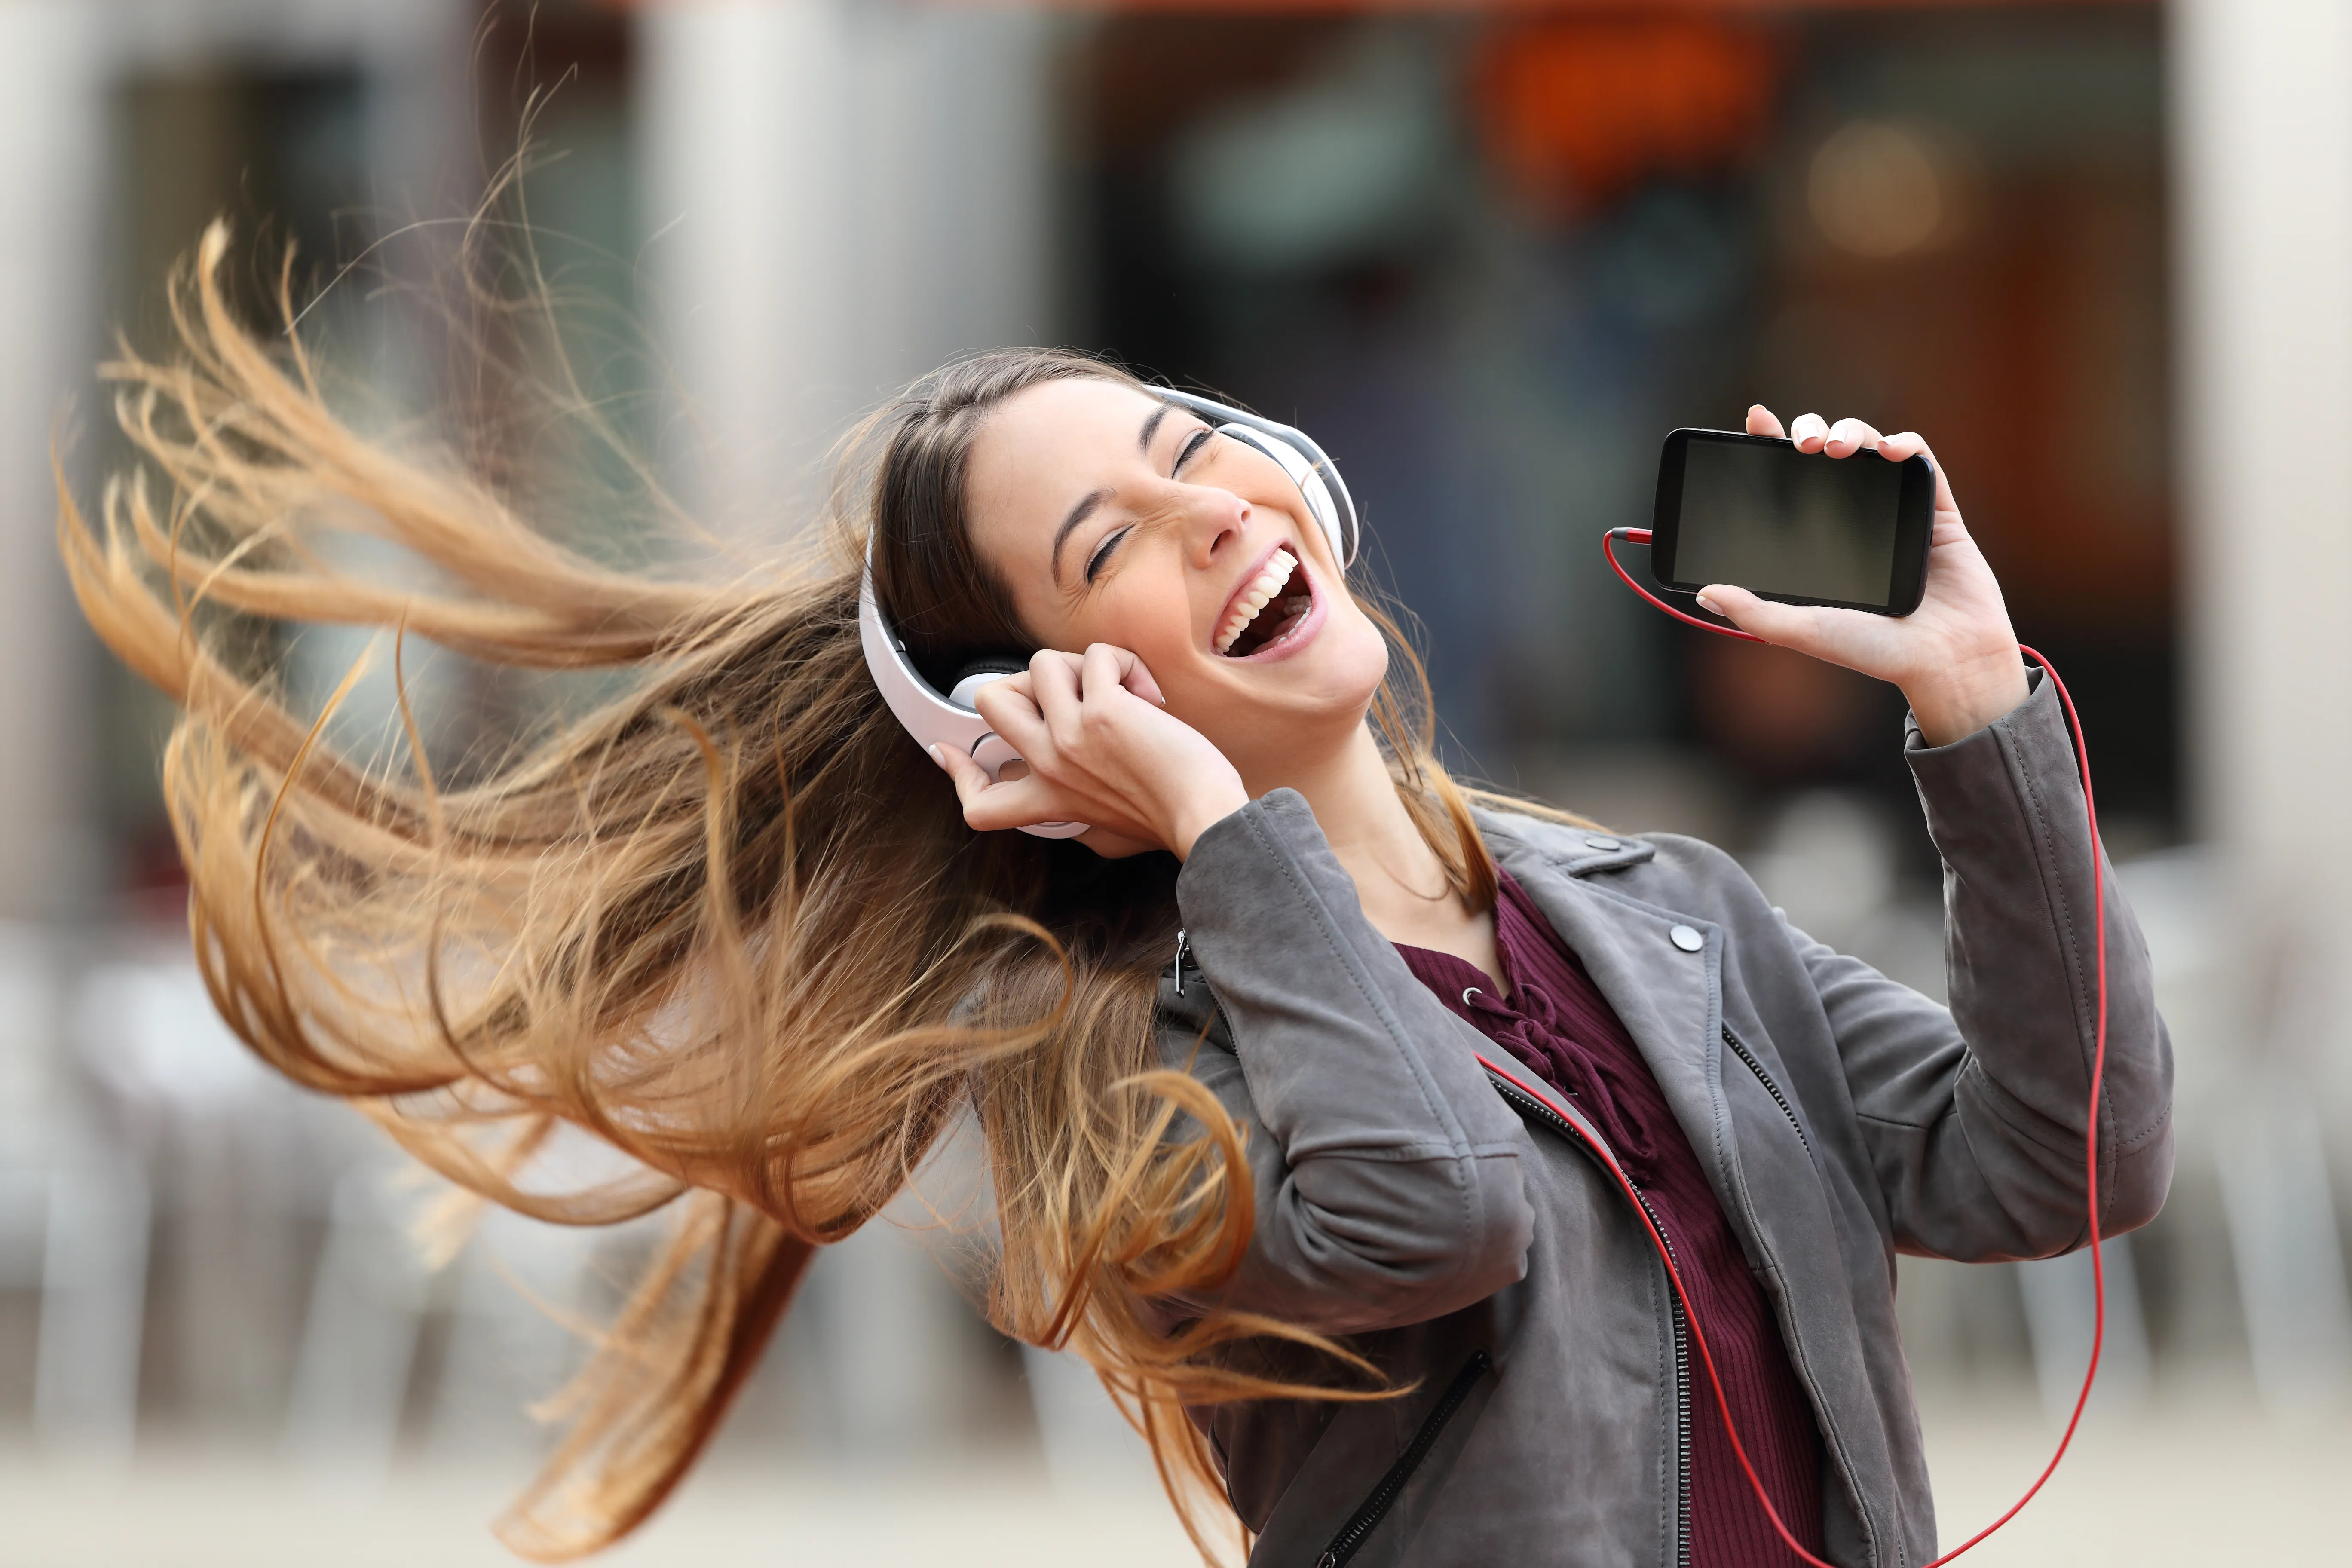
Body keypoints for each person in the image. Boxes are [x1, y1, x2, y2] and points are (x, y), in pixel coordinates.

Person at [63, 226, 2171, 1568]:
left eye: (1193, 447)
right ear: (1050, 710)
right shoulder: (1121, 1076)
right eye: (1107, 549)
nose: (1209, 510)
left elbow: (2056, 1157)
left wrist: (1979, 709)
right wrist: (1219, 835)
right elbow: (1436, 1216)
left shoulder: (1666, 912)